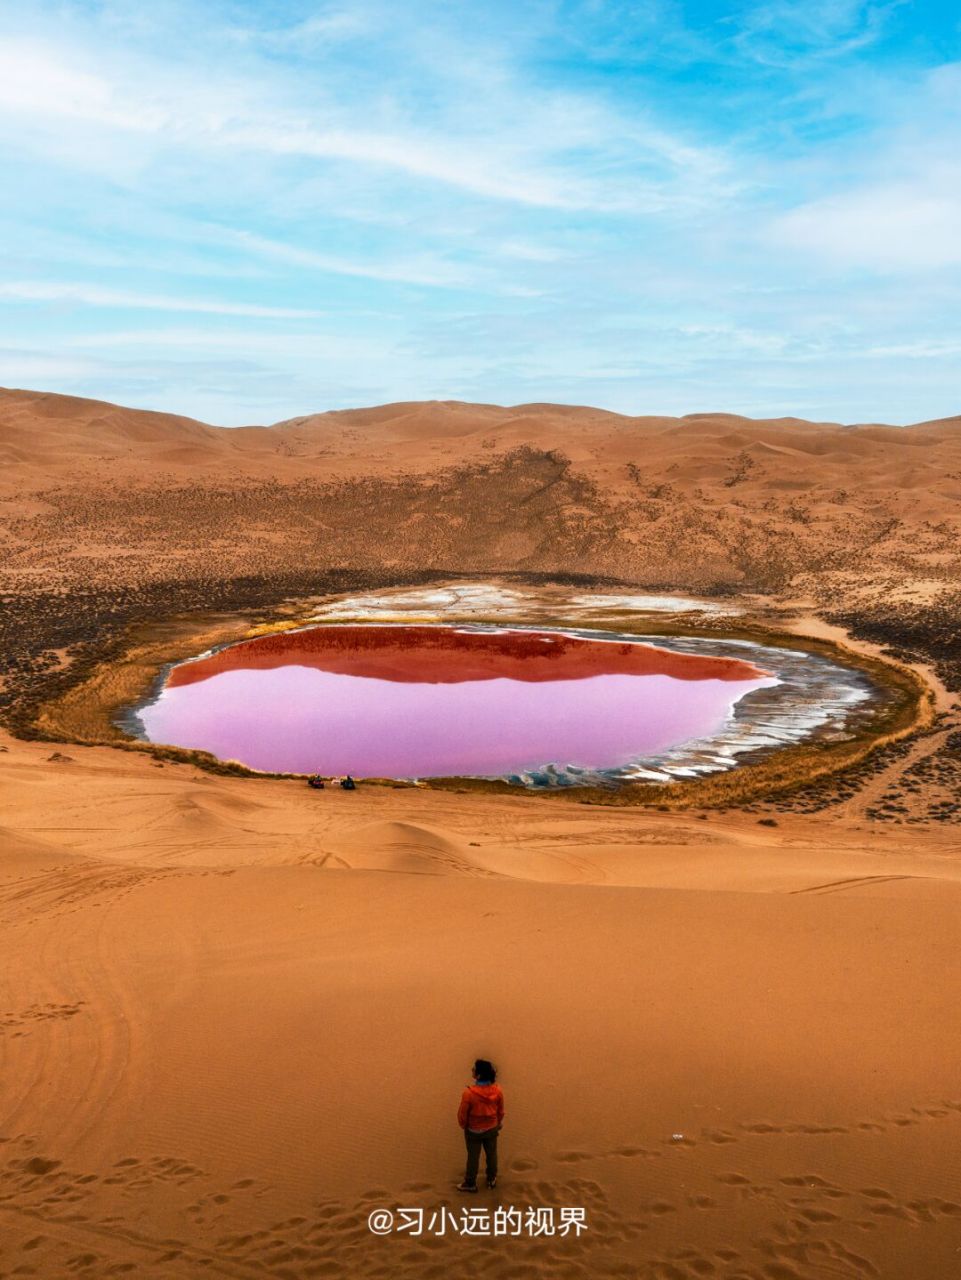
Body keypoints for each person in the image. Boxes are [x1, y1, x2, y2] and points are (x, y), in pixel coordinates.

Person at [457, 1058, 504, 1191]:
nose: (471, 1070)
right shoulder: (498, 1091)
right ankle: (491, 1179)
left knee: (473, 1157)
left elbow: (462, 1114)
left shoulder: (468, 1094)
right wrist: (498, 1123)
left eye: (474, 1069)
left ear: (478, 1075)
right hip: (491, 1128)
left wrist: (464, 1125)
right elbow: (501, 1110)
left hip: (473, 1131)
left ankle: (471, 1183)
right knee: (492, 1154)